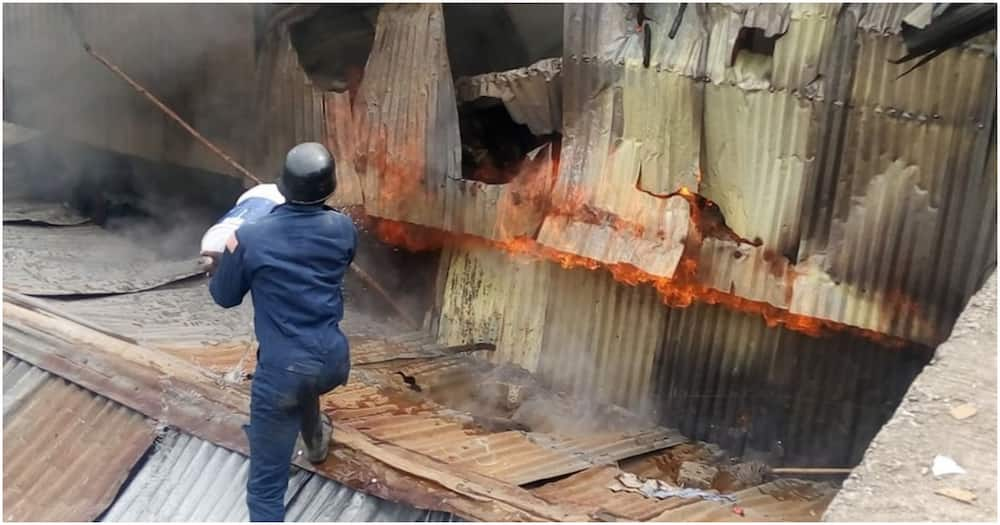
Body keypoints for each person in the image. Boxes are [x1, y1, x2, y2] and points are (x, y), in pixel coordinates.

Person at [208, 142, 357, 522]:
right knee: (304, 382)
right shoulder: (343, 228)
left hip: (283, 375)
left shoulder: (252, 236)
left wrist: (224, 259)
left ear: (283, 187)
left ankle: (293, 442)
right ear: (330, 188)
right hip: (332, 362)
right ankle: (316, 442)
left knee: (265, 492)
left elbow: (225, 298)